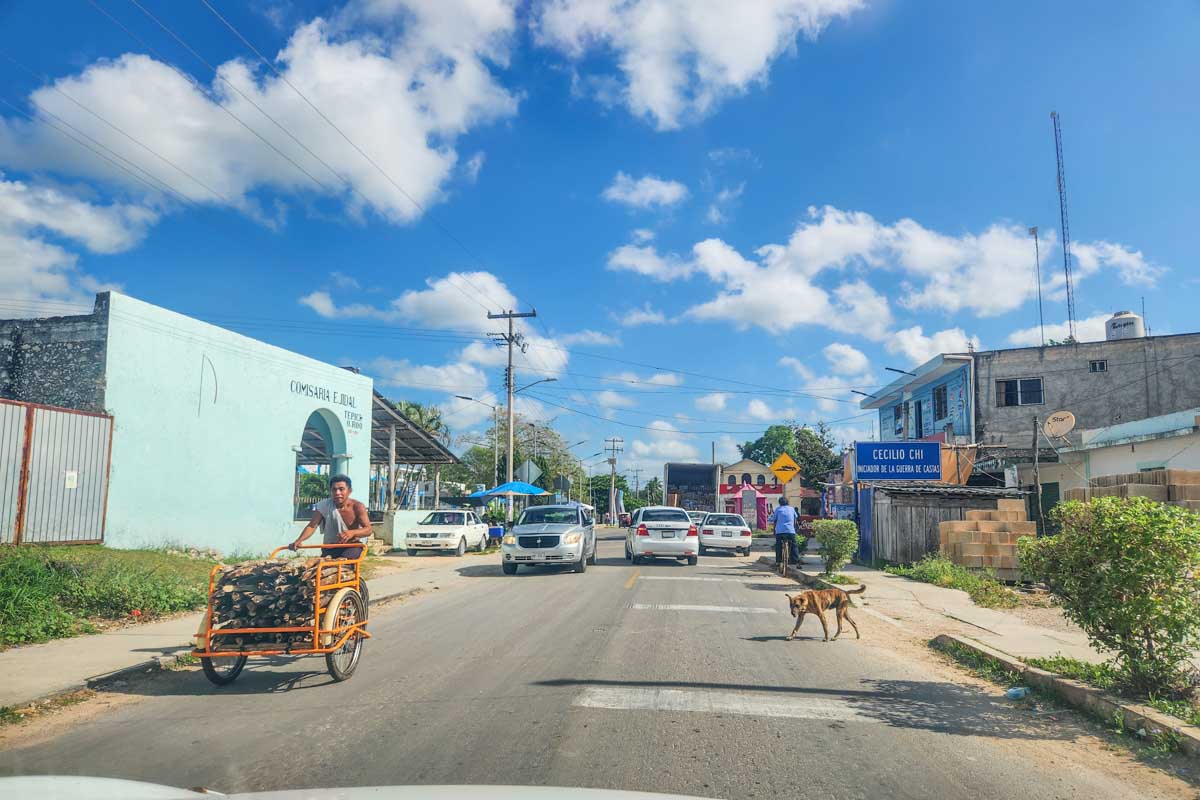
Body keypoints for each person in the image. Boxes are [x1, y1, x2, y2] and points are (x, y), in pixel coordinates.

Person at [289, 474, 371, 608]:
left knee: (341, 570)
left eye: (341, 489)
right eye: (334, 489)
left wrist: (352, 532)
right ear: (330, 491)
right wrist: (298, 541)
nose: (337, 493)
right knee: (317, 574)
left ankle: (349, 601)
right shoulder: (325, 505)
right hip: (330, 547)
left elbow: (368, 529)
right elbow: (312, 525)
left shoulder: (357, 507)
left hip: (352, 547)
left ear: (349, 490)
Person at [768, 496, 800, 566]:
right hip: (790, 531)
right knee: (794, 545)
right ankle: (795, 561)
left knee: (778, 545)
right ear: (787, 502)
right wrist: (793, 528)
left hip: (780, 531)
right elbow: (795, 520)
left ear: (780, 503)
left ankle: (778, 561)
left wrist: (774, 531)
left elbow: (775, 520)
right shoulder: (792, 509)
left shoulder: (778, 509)